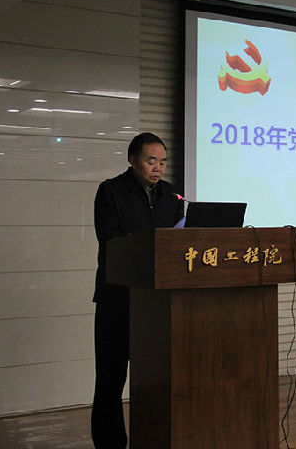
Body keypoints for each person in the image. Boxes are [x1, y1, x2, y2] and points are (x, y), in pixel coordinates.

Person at [91, 132, 185, 449]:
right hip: (117, 299)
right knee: (110, 379)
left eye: (163, 162)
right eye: (151, 161)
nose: (158, 168)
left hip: (157, 303)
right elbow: (111, 241)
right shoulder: (111, 191)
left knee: (156, 379)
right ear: (132, 160)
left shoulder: (172, 197)